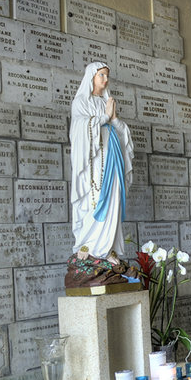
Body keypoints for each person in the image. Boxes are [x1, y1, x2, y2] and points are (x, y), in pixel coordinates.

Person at [65, 62, 136, 289]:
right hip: (95, 163)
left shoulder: (108, 102)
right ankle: (89, 246)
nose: (105, 80)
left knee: (114, 199)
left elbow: (120, 130)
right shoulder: (81, 102)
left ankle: (108, 249)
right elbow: (79, 130)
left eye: (107, 76)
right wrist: (104, 118)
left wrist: (113, 118)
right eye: (101, 75)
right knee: (94, 199)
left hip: (113, 159)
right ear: (92, 77)